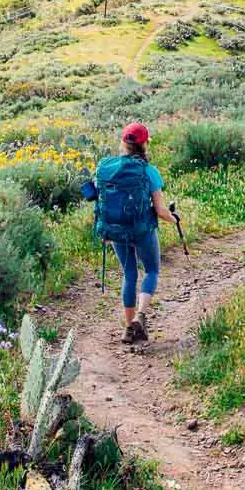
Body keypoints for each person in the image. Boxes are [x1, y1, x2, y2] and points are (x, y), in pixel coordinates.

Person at [93, 122, 175, 344]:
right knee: (152, 271)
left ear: (123, 143)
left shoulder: (106, 167)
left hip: (115, 230)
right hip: (142, 230)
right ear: (145, 144)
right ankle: (141, 315)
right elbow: (159, 210)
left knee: (129, 274)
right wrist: (173, 219)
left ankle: (129, 329)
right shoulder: (149, 171)